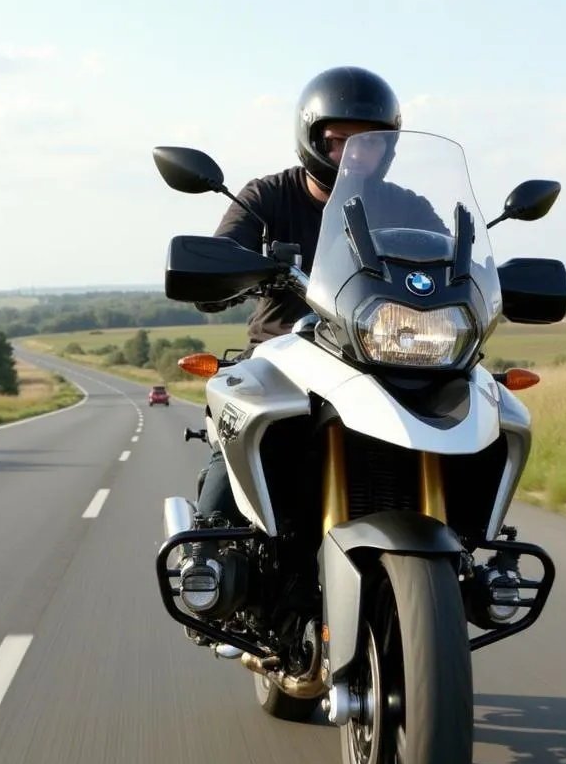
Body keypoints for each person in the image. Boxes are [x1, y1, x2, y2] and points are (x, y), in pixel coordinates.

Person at [182, 66, 425, 608]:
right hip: (285, 354)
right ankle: (211, 563)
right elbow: (216, 268)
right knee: (238, 427)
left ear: (388, 147)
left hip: (383, 360)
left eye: (369, 142)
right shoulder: (267, 196)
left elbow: (461, 261)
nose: (353, 154)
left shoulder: (407, 206)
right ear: (313, 138)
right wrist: (226, 272)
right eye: (339, 141)